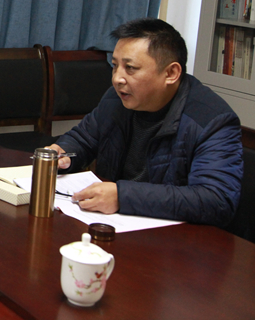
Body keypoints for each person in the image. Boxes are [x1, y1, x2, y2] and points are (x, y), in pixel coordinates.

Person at [49, 18, 243, 226]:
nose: (117, 79)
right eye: (115, 66)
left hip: (172, 236)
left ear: (171, 73)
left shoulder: (212, 121)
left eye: (130, 68)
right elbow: (84, 138)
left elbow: (216, 200)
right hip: (112, 223)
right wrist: (64, 153)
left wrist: (123, 197)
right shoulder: (116, 98)